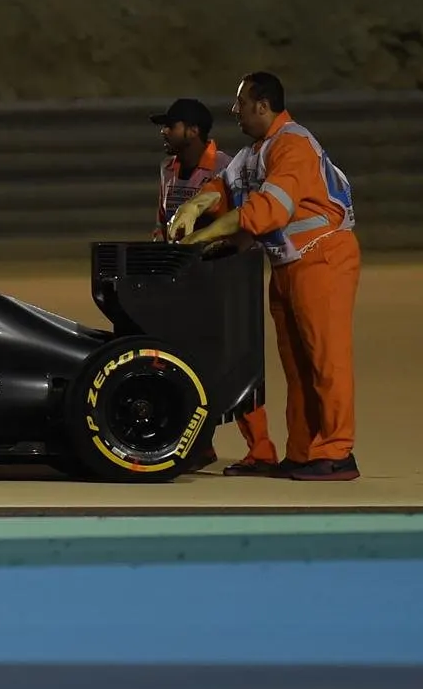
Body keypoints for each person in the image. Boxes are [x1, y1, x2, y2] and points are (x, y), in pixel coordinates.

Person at [168, 72, 361, 481]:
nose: (234, 111)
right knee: (297, 365)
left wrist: (201, 235)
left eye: (240, 103)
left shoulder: (291, 144)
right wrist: (194, 206)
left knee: (327, 361)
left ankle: (338, 452)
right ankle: (303, 451)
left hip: (322, 261)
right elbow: (225, 185)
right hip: (291, 264)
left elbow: (267, 211)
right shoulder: (260, 149)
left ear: (262, 105)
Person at [148, 97, 231, 240]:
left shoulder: (225, 166)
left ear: (193, 131)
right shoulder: (167, 168)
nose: (163, 131)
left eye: (171, 126)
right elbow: (162, 223)